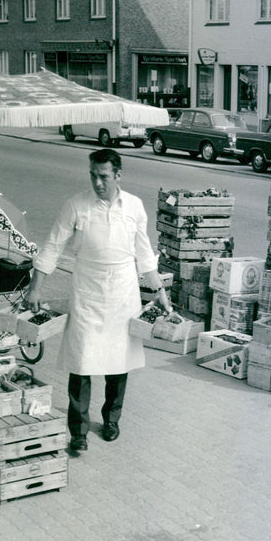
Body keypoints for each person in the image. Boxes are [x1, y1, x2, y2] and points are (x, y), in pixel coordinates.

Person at [24, 148, 171, 452]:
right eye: (93, 175)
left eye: (103, 176)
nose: (97, 182)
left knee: (119, 361)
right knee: (82, 361)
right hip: (87, 290)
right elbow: (52, 247)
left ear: (118, 175)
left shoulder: (134, 206)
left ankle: (111, 419)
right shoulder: (76, 206)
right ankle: (78, 430)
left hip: (122, 291)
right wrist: (35, 288)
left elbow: (145, 254)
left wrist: (160, 291)